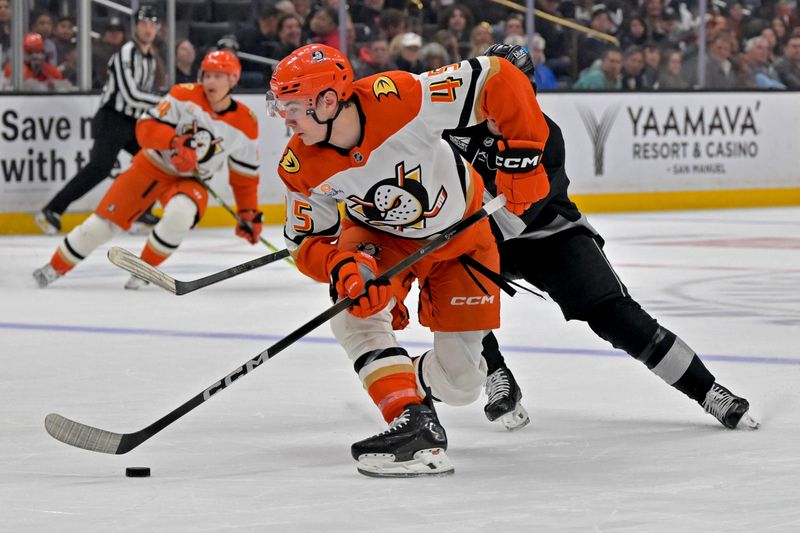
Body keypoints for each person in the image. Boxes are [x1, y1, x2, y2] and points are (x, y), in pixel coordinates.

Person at [441, 44, 758, 432]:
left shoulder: (545, 137)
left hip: (551, 237)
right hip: (483, 239)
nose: (498, 100)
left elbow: (516, 216)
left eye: (509, 88)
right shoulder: (451, 129)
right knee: (449, 290)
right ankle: (496, 373)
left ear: (527, 90)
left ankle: (708, 390)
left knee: (616, 316)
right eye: (491, 88)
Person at [267, 43, 550, 476]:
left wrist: (524, 160)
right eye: (279, 106)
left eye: (291, 106)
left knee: (462, 385)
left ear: (327, 100)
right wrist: (340, 266)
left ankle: (399, 378)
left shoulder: (400, 98)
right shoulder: (298, 165)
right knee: (352, 311)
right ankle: (412, 423)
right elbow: (304, 242)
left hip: (465, 239)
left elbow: (498, 75)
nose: (284, 118)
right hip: (380, 239)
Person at [33, 50, 262, 290]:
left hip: (192, 181)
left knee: (180, 215)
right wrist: (173, 141)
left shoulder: (246, 122)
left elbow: (245, 175)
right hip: (151, 166)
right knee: (101, 225)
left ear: (233, 80)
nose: (210, 82)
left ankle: (143, 271)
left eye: (218, 76)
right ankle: (52, 268)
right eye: (207, 75)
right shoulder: (183, 95)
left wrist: (248, 213)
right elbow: (144, 127)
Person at [35, 6, 162, 236]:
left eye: (153, 24)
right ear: (135, 26)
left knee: (155, 161)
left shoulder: (150, 59)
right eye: (144, 23)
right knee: (99, 168)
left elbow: (141, 98)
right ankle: (51, 211)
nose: (148, 29)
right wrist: (164, 101)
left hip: (133, 122)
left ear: (158, 29)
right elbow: (130, 95)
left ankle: (141, 212)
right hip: (111, 118)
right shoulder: (126, 52)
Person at [2, 32, 68, 92]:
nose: (35, 56)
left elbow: (65, 87)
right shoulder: (13, 69)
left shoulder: (50, 71)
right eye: (30, 52)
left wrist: (54, 85)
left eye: (39, 52)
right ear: (22, 53)